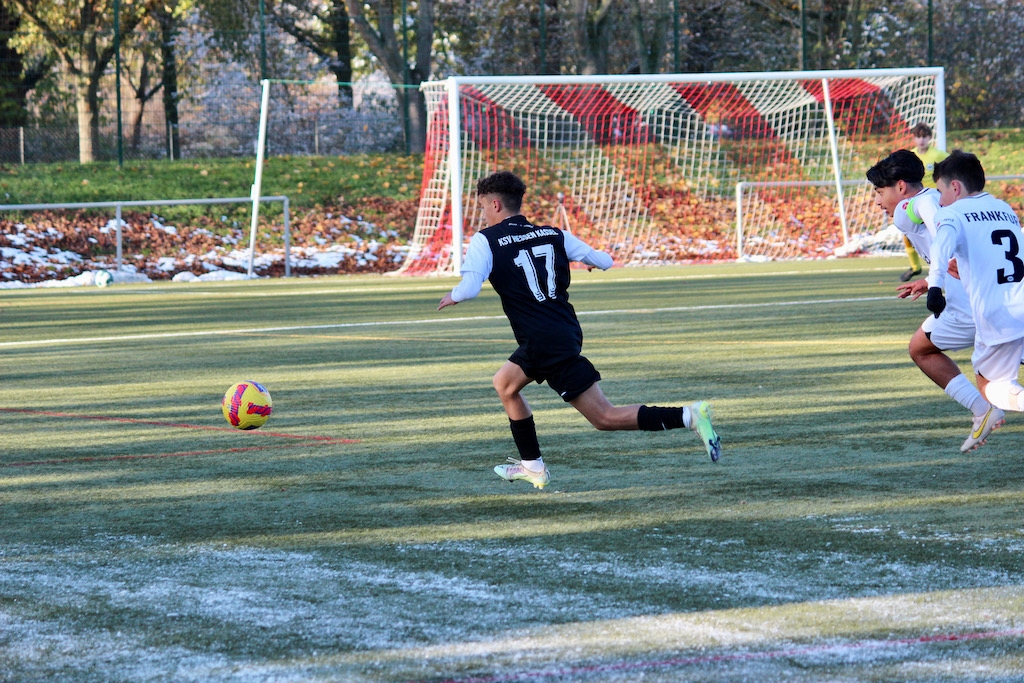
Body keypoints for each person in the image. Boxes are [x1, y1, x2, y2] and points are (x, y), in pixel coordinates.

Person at [437, 171, 721, 489]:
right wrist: (591, 263)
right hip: (564, 330)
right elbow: (605, 260)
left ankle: (690, 415)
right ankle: (533, 466)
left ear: (496, 204)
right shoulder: (555, 234)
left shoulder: (485, 240)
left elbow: (470, 288)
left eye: (483, 207)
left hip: (544, 340)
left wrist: (454, 295)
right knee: (505, 384)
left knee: (605, 417)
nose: (484, 214)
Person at [867, 150, 1002, 451]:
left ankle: (983, 409)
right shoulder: (929, 198)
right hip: (979, 295)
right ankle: (984, 408)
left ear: (900, 186)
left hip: (964, 304)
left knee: (921, 350)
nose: (877, 202)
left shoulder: (914, 204)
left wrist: (945, 266)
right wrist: (930, 279)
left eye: (879, 192)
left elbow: (940, 225)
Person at [927, 149, 1024, 427]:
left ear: (955, 187)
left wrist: (935, 287)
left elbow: (941, 246)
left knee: (990, 388)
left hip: (997, 315)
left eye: (940, 191)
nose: (940, 200)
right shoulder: (1005, 208)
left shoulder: (953, 213)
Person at [896, 123, 948, 282]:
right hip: (913, 202)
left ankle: (942, 264)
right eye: (918, 136)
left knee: (935, 232)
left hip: (935, 201)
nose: (921, 140)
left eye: (924, 136)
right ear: (913, 138)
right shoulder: (911, 156)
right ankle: (915, 266)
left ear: (929, 138)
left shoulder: (938, 155)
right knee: (908, 234)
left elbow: (951, 168)